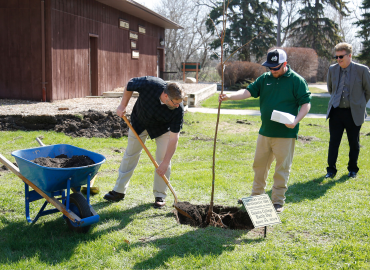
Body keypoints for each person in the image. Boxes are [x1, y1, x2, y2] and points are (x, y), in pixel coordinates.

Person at [219, 49, 311, 213]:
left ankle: (277, 201)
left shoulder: (297, 80)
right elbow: (248, 92)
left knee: (282, 168)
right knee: (259, 166)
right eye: (269, 67)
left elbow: (306, 103)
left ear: (284, 64)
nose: (272, 71)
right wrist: (230, 96)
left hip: (286, 133)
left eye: (275, 67)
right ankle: (256, 197)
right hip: (265, 132)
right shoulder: (265, 78)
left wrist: (296, 121)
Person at [104, 76, 185, 208]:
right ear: (165, 95)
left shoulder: (178, 109)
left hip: (162, 128)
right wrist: (122, 105)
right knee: (130, 155)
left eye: (179, 103)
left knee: (163, 159)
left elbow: (174, 138)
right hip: (139, 122)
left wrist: (164, 163)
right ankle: (118, 191)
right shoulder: (150, 84)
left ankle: (160, 195)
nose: (177, 106)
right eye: (174, 102)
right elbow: (130, 84)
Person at [325, 42, 370, 179]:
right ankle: (331, 170)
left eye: (341, 57)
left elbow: (368, 91)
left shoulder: (362, 70)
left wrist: (359, 104)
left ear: (349, 55)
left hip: (354, 112)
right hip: (336, 111)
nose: (338, 59)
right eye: (336, 57)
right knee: (333, 143)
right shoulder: (332, 69)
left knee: (354, 143)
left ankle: (352, 169)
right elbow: (330, 89)